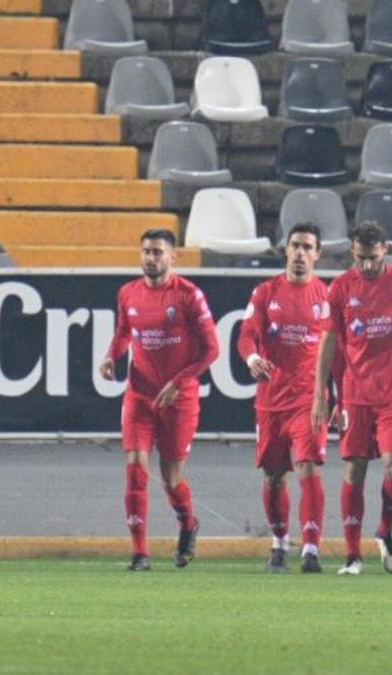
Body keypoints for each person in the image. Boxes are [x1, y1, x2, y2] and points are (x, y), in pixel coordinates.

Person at [99, 229, 220, 572]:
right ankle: (140, 553)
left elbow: (212, 349)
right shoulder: (128, 293)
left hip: (179, 399)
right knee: (136, 468)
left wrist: (179, 382)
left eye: (157, 252)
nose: (150, 259)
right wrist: (112, 356)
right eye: (146, 252)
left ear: (173, 257)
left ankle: (188, 524)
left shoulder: (188, 296)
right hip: (139, 395)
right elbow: (125, 331)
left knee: (171, 478)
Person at [312, 222, 392, 575]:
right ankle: (351, 554)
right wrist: (323, 394)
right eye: (361, 259)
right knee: (354, 469)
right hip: (355, 394)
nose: (367, 267)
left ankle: (385, 530)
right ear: (352, 253)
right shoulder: (341, 287)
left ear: (385, 250)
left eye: (373, 259)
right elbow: (329, 343)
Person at [237, 224, 330, 573]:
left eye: (308, 247)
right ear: (286, 250)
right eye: (296, 246)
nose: (301, 253)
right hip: (271, 400)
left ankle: (310, 549)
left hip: (309, 399)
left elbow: (339, 353)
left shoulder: (327, 298)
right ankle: (278, 544)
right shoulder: (265, 292)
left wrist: (338, 400)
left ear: (317, 254)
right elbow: (246, 335)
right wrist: (251, 359)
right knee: (275, 476)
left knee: (308, 468)